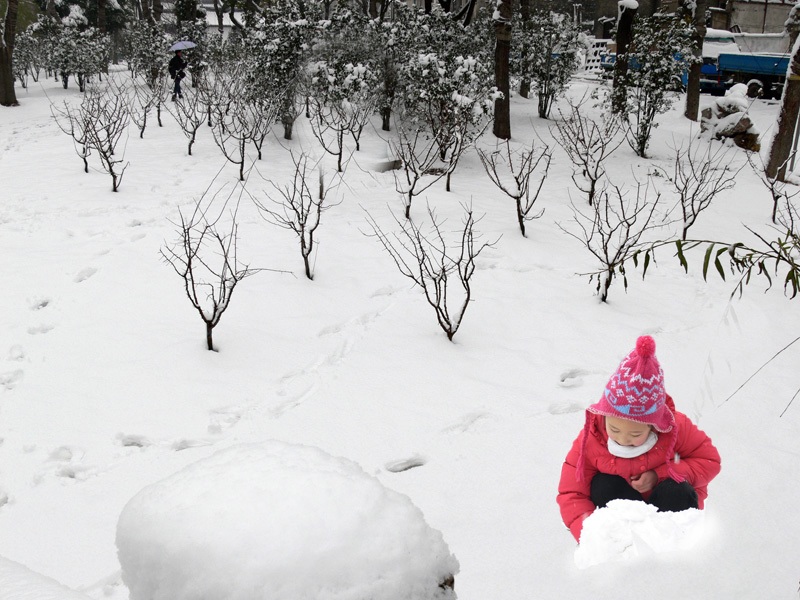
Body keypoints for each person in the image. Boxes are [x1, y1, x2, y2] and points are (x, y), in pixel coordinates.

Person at [557, 335, 721, 542]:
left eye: (635, 434)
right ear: (604, 415)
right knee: (603, 484)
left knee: (676, 490)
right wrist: (592, 535)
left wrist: (660, 475)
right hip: (622, 514)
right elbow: (572, 493)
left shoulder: (675, 428)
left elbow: (709, 461)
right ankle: (625, 545)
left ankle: (676, 550)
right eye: (614, 429)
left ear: (654, 426)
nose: (623, 439)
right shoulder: (592, 436)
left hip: (669, 509)